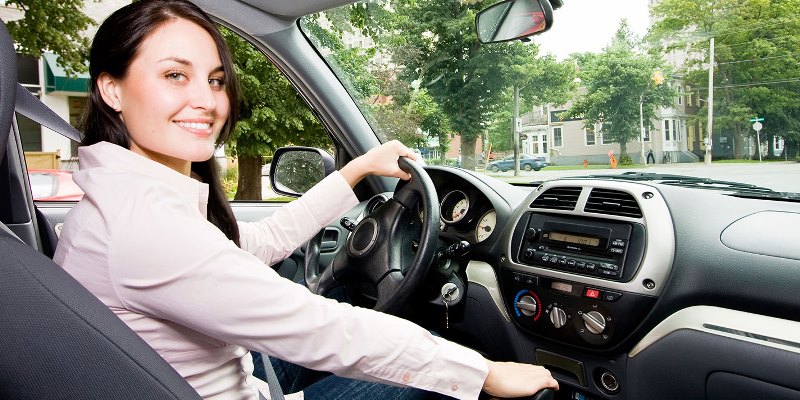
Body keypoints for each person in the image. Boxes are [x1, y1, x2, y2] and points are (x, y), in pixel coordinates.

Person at [53, 1, 558, 399]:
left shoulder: (126, 199)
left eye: (215, 80)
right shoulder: (146, 227)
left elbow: (256, 243)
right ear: (112, 90)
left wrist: (357, 169)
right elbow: (320, 329)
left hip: (230, 377)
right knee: (442, 381)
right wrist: (483, 371)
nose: (206, 101)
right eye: (174, 75)